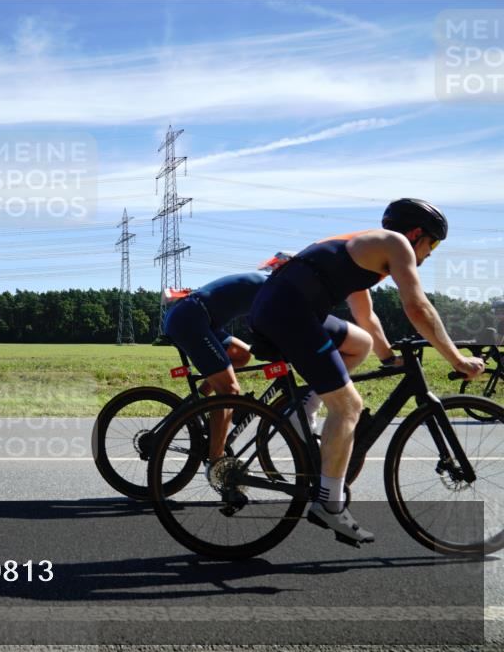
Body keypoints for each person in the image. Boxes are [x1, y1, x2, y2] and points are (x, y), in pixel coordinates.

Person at [250, 198, 486, 546]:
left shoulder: (366, 254)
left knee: (358, 343)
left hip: (287, 307)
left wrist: (390, 359)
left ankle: (305, 407)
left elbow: (367, 319)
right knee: (348, 406)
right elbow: (417, 306)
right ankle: (329, 504)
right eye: (432, 243)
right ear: (415, 233)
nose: (431, 253)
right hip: (289, 312)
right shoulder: (397, 244)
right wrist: (456, 359)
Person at [161, 254, 372, 466]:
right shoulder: (272, 288)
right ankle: (217, 462)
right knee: (229, 390)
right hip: (191, 318)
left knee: (242, 355)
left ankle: (201, 401)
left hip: (199, 318)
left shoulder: (271, 286)